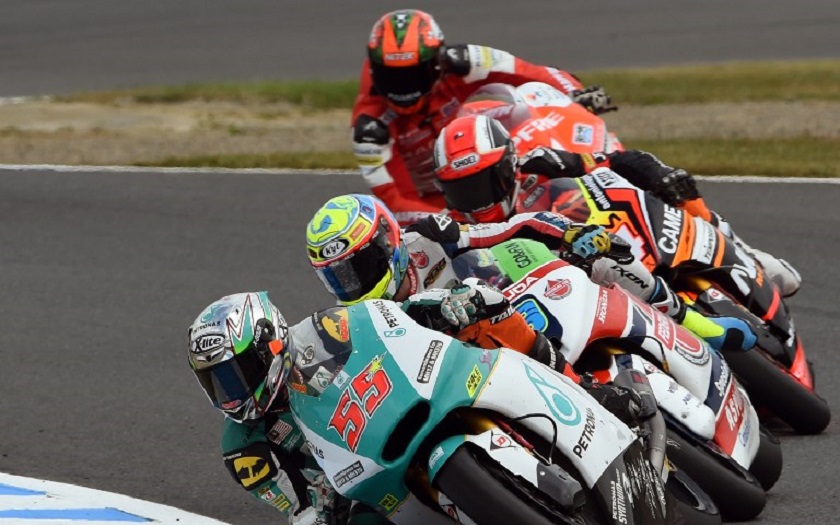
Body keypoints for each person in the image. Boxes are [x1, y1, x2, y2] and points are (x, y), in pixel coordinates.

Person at [187, 286, 647, 525]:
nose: (233, 391)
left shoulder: (324, 329)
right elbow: (304, 518)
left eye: (237, 373)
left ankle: (595, 396)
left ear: (270, 342)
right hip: (363, 481)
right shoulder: (245, 448)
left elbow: (392, 318)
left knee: (483, 332)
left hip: (410, 405)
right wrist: (318, 503)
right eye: (218, 382)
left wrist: (442, 306)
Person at [306, 193, 756, 352]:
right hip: (475, 367)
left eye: (358, 267)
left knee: (602, 256)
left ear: (388, 241)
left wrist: (571, 233)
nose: (352, 285)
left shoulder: (428, 237)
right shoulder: (360, 320)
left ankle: (692, 322)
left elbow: (511, 228)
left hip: (516, 303)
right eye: (338, 277)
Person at [431, 113, 802, 297]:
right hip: (566, 290)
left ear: (507, 167)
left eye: (480, 183)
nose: (474, 199)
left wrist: (660, 174)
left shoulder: (541, 163)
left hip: (608, 240)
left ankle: (743, 251)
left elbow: (613, 161)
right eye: (461, 189)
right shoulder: (454, 229)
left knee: (675, 188)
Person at [352, 8, 617, 225]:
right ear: (376, 72)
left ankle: (603, 166)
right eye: (393, 78)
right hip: (438, 200)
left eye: (413, 76)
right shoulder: (369, 130)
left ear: (436, 63)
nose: (404, 89)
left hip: (470, 146)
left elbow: (529, 72)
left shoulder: (463, 62)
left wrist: (575, 94)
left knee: (526, 107)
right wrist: (451, 221)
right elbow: (397, 203)